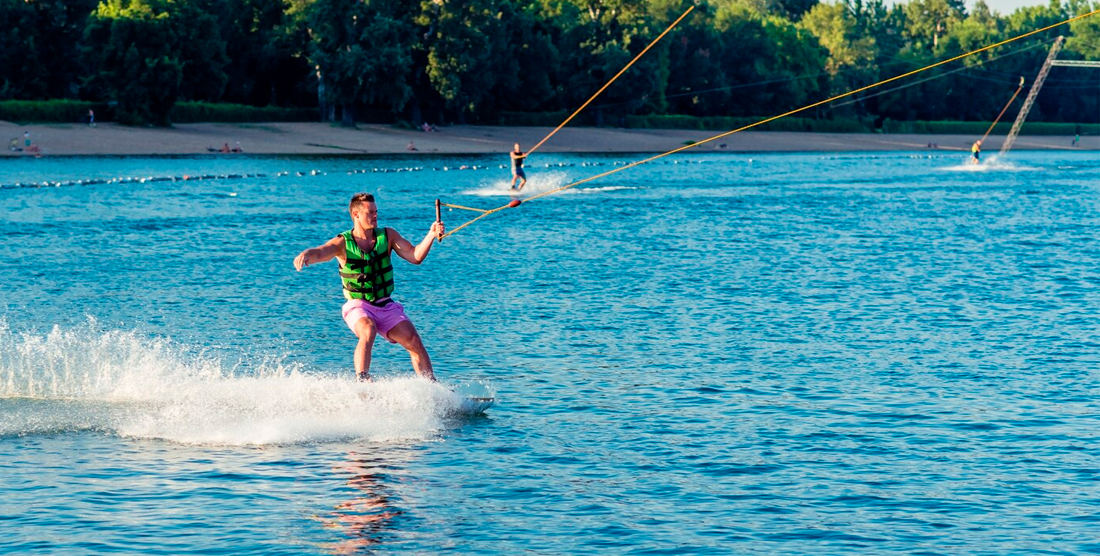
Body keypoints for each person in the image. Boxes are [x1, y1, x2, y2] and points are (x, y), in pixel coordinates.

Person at [293, 193, 444, 382]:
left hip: (385, 305)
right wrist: (307, 254)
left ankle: (432, 389)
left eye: (376, 212)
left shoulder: (388, 236)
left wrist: (431, 234)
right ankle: (362, 380)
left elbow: (415, 256)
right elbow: (323, 251)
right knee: (368, 329)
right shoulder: (343, 242)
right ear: (355, 214)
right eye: (370, 212)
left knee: (413, 340)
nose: (375, 216)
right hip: (358, 305)